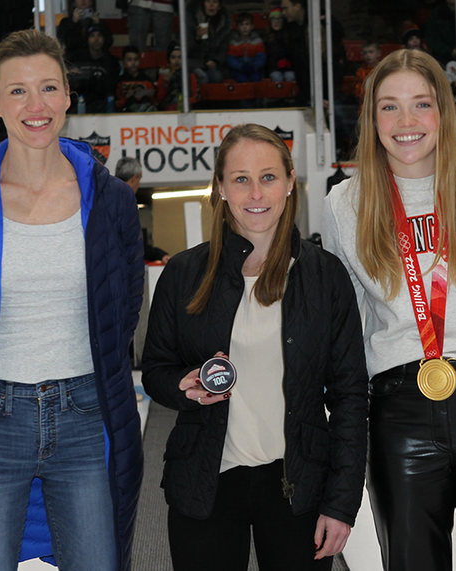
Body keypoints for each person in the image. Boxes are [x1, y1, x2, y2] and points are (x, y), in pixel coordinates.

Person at [0, 29, 144, 571]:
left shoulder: (110, 200)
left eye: (48, 88)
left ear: (67, 96)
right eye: (17, 91)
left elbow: (125, 302)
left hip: (88, 418)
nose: (35, 106)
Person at [323, 48, 456, 571]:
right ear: (371, 118)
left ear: (444, 110)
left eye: (421, 104)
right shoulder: (345, 203)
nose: (406, 122)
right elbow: (346, 324)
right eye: (389, 107)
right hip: (398, 413)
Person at [142, 123, 367, 571]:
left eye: (268, 176)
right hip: (205, 483)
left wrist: (342, 502)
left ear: (288, 183)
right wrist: (183, 386)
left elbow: (350, 397)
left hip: (297, 486)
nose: (256, 192)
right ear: (221, 188)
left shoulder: (325, 277)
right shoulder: (184, 274)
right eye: (240, 178)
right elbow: (155, 370)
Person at [115, 156, 171, 263]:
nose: (138, 185)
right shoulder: (125, 203)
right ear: (134, 178)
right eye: (139, 180)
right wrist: (158, 254)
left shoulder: (104, 199)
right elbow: (132, 242)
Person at [68, 24, 121, 113]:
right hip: (80, 102)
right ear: (87, 39)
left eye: (99, 35)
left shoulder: (112, 62)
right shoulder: (77, 60)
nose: (96, 39)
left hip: (103, 103)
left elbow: (111, 87)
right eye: (92, 36)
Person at [186, 0, 230, 84]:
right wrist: (197, 39)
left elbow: (223, 49)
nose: (211, 5)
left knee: (216, 77)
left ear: (219, 6)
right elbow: (186, 50)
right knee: (203, 78)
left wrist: (216, 61)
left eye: (215, 2)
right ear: (203, 4)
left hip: (210, 64)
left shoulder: (223, 24)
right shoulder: (192, 21)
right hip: (193, 63)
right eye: (208, 1)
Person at [156, 41, 199, 111]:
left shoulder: (190, 75)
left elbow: (196, 97)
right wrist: (166, 84)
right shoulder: (163, 75)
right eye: (173, 57)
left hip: (186, 108)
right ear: (169, 59)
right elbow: (159, 100)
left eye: (180, 57)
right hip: (168, 110)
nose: (177, 60)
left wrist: (184, 101)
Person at [226, 12, 267, 83]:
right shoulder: (234, 42)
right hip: (239, 70)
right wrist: (240, 66)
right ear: (238, 27)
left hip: (254, 69)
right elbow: (230, 59)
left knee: (256, 79)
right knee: (241, 80)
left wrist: (254, 66)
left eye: (247, 24)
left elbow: (261, 57)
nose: (244, 27)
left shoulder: (258, 41)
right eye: (241, 25)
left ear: (252, 26)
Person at [116, 45, 157, 112]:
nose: (133, 63)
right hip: (126, 115)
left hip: (146, 114)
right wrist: (126, 98)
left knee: (145, 99)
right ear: (124, 62)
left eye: (136, 59)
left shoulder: (147, 80)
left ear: (140, 60)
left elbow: (154, 102)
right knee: (131, 100)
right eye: (129, 60)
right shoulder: (120, 81)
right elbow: (117, 106)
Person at [264, 7, 295, 83]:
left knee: (290, 76)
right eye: (273, 19)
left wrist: (286, 62)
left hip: (288, 68)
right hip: (274, 69)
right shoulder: (267, 37)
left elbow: (292, 54)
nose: (276, 22)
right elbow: (268, 57)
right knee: (276, 76)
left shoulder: (289, 36)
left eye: (279, 19)